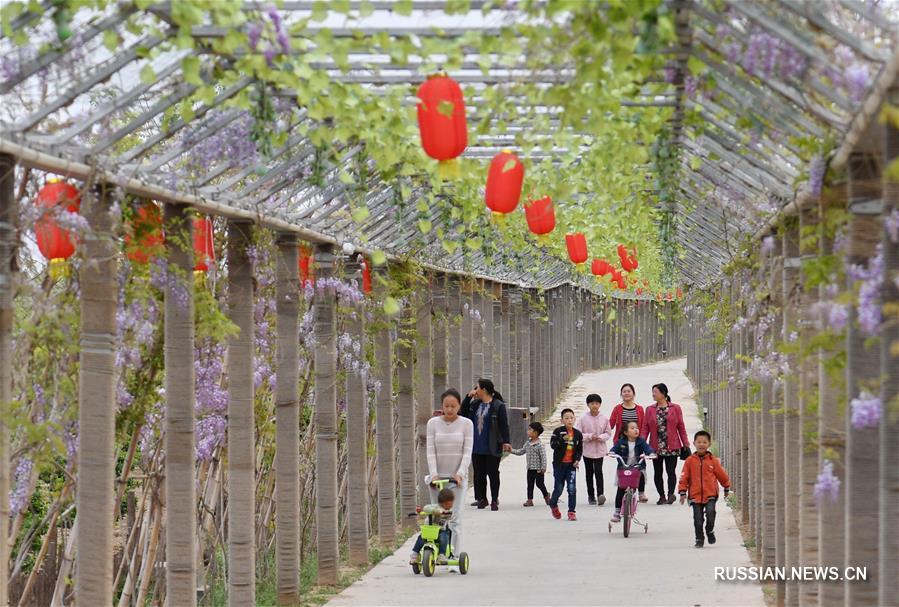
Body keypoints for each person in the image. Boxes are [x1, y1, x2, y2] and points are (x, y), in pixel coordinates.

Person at [426, 388, 473, 553]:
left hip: (457, 480)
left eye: (453, 406)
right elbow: (430, 451)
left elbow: (467, 453)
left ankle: (454, 554)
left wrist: (459, 474)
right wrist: (433, 474)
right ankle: (433, 551)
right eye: (446, 406)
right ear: (442, 406)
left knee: (454, 519)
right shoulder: (433, 424)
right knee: (435, 517)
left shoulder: (467, 424)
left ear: (459, 406)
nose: (450, 409)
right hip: (437, 479)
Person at [461, 378, 511, 511]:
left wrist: (506, 441)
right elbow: (462, 413)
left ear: (484, 390)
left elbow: (503, 425)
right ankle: (482, 499)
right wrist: (468, 397)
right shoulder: (475, 405)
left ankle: (494, 499)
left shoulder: (498, 405)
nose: (475, 390)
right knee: (479, 473)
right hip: (476, 445)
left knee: (493, 473)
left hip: (492, 445)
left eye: (476, 388)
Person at [679, 430, 731, 548]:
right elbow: (684, 476)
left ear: (709, 444)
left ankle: (709, 530)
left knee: (710, 513)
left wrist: (726, 487)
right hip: (695, 495)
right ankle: (699, 538)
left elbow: (721, 475)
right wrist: (682, 491)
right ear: (694, 443)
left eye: (704, 442)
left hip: (710, 494)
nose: (701, 444)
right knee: (697, 519)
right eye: (699, 442)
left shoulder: (713, 461)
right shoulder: (690, 461)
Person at [641, 382, 689, 505]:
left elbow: (681, 427)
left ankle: (670, 494)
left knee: (670, 471)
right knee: (658, 472)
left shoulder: (675, 408)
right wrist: (641, 444)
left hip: (672, 445)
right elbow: (645, 428)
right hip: (656, 446)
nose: (653, 394)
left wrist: (686, 444)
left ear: (663, 393)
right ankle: (661, 496)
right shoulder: (650, 409)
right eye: (653, 392)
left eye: (655, 392)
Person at [608, 420, 655, 523]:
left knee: (641, 474)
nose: (635, 430)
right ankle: (617, 512)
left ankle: (641, 492)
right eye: (632, 428)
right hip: (624, 467)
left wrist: (650, 453)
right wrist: (612, 452)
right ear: (625, 432)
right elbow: (614, 449)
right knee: (621, 490)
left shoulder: (641, 441)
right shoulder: (621, 442)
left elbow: (648, 448)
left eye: (636, 428)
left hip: (637, 466)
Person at [608, 383, 647, 502]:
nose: (626, 393)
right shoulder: (617, 409)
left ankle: (641, 492)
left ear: (633, 394)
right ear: (621, 394)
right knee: (623, 466)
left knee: (639, 467)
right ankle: (623, 487)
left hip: (637, 442)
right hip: (622, 443)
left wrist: (643, 440)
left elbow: (644, 425)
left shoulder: (639, 409)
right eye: (624, 391)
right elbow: (610, 424)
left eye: (629, 391)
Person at [575, 394, 612, 506]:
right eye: (592, 403)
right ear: (588, 405)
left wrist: (600, 437)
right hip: (587, 451)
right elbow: (578, 434)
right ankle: (591, 496)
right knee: (589, 473)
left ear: (600, 404)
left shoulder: (604, 418)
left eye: (596, 403)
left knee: (599, 472)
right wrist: (590, 436)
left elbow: (608, 433)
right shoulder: (583, 419)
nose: (594, 405)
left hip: (600, 450)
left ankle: (600, 494)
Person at [548, 408, 583, 521]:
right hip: (559, 465)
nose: (569, 420)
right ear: (562, 420)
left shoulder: (577, 434)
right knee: (558, 488)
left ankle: (571, 511)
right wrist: (561, 440)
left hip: (571, 466)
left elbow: (579, 450)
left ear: (574, 419)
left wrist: (577, 460)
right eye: (566, 418)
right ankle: (553, 504)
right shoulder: (558, 431)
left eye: (571, 418)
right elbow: (553, 445)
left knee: (572, 488)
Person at [409, 487, 455, 565]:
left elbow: (450, 515)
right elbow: (426, 508)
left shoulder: (448, 511)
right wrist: (435, 511)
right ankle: (415, 553)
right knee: (421, 538)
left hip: (440, 530)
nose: (452, 505)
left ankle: (441, 554)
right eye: (450, 503)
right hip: (429, 530)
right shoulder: (435, 506)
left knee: (444, 537)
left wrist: (443, 513)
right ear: (444, 503)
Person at [511, 422, 550, 506]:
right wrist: (511, 450)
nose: (527, 431)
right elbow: (521, 451)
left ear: (535, 433)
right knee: (530, 484)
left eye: (529, 429)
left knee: (539, 484)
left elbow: (543, 457)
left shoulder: (540, 445)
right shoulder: (528, 443)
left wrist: (543, 467)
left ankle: (546, 495)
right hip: (530, 469)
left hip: (538, 469)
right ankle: (530, 500)